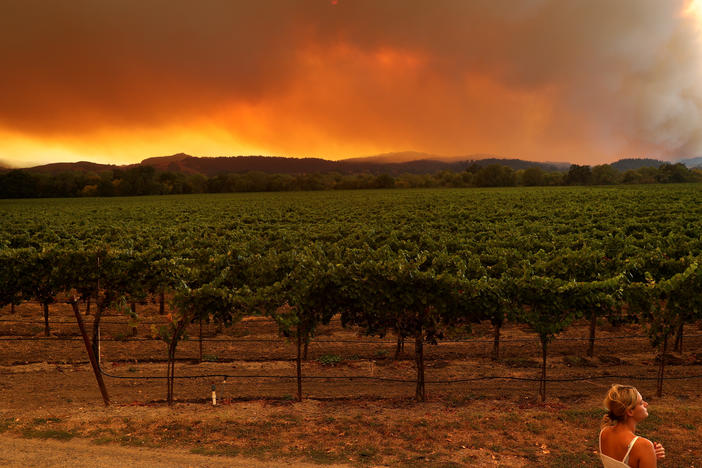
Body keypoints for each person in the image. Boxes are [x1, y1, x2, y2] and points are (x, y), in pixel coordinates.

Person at [599, 384, 666, 467]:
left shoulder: (604, 433)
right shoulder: (643, 446)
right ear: (630, 411)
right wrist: (648, 455)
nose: (646, 404)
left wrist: (650, 456)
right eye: (641, 403)